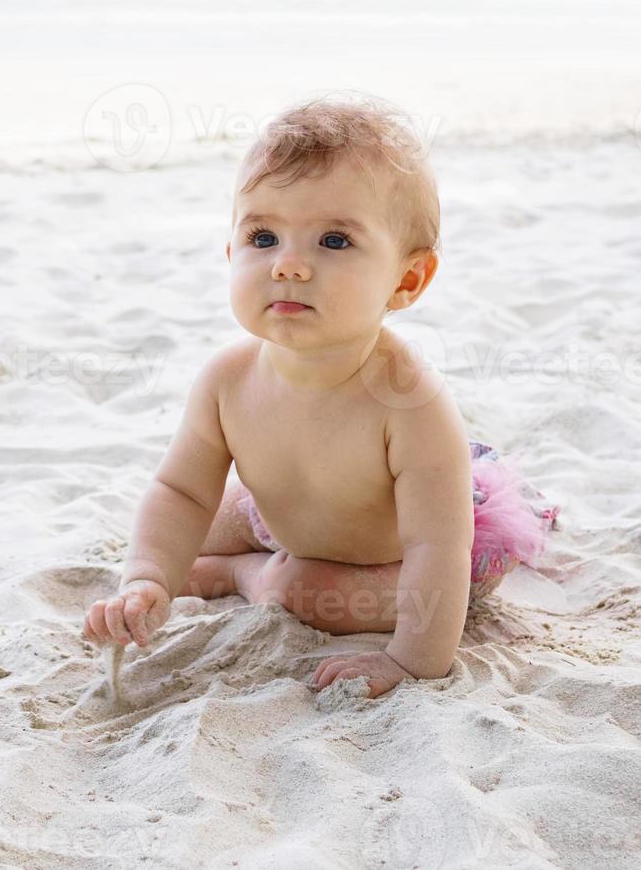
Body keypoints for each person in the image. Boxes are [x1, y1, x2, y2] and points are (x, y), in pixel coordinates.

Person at [83, 94, 560, 699]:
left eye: (333, 242)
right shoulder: (227, 378)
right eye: (263, 236)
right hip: (286, 508)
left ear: (406, 279)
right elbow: (180, 490)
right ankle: (204, 569)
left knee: (311, 594)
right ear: (230, 253)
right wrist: (147, 578)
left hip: (410, 548)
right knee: (183, 525)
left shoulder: (409, 400)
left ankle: (240, 574)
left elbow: (435, 546)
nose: (288, 265)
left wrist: (410, 661)